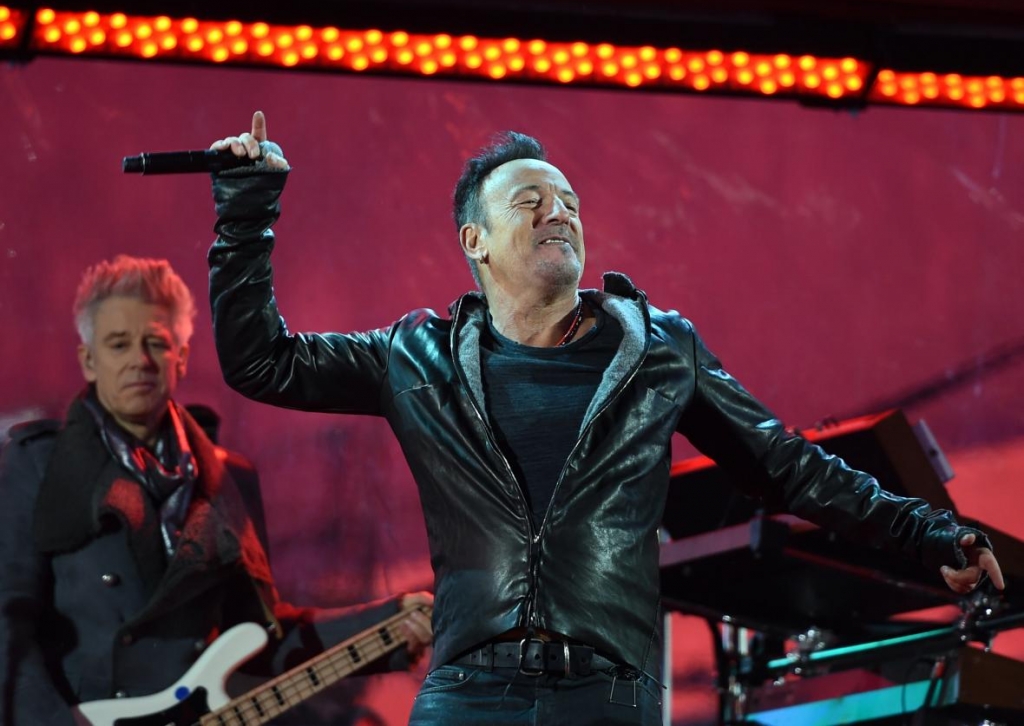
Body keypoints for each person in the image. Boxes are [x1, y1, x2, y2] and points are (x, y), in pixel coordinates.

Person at [203, 112, 1004, 726]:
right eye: (531, 201)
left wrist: (927, 532)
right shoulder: (416, 357)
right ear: (473, 240)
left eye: (570, 201)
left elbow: (787, 464)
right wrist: (246, 215)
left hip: (609, 693)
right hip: (467, 693)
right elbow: (262, 361)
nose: (560, 212)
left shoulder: (660, 348)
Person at [0, 255, 433, 726]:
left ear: (181, 357)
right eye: (118, 344)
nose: (139, 361)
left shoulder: (229, 479)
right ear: (88, 360)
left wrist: (388, 622)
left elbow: (262, 635)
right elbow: (7, 625)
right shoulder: (37, 465)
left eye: (156, 343)